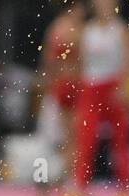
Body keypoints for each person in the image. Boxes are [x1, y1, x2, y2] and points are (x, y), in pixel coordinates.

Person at [67, 0, 129, 196]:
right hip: (91, 89)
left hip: (115, 87)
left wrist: (128, 89)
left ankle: (124, 192)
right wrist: (77, 95)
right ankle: (80, 189)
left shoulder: (124, 31)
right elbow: (80, 65)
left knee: (121, 141)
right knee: (86, 140)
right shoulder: (85, 31)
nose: (103, 6)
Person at [38, 0, 85, 182]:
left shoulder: (80, 29)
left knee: (74, 137)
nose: (82, 12)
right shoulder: (62, 28)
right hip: (63, 87)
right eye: (80, 9)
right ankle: (56, 179)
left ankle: (68, 179)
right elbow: (50, 61)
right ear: (72, 9)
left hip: (74, 86)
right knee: (61, 138)